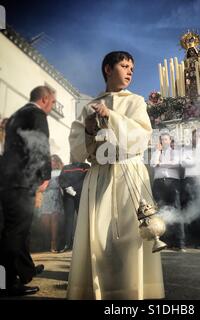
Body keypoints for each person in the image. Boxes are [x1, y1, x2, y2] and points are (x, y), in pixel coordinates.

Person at [67, 51, 164, 300]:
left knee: (130, 239)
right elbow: (78, 150)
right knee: (99, 240)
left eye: (132, 67)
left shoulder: (136, 102)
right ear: (108, 69)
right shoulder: (87, 105)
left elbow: (142, 137)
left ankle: (132, 295)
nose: (130, 71)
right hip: (99, 175)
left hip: (129, 174)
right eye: (124, 65)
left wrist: (112, 116)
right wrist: (88, 129)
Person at [0, 86, 54, 296]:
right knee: (15, 232)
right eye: (52, 102)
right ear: (45, 99)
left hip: (9, 178)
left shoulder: (16, 115)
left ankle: (24, 270)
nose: (51, 107)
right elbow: (40, 145)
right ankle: (7, 283)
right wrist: (45, 175)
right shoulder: (36, 114)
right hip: (22, 180)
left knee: (17, 229)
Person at [150, 132, 185, 251]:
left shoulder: (175, 152)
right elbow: (153, 163)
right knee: (161, 212)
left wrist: (161, 164)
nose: (164, 141)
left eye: (166, 139)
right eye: (162, 139)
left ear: (170, 141)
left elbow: (175, 164)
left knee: (176, 210)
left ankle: (180, 242)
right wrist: (158, 152)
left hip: (172, 182)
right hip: (159, 183)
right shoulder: (157, 152)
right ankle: (166, 241)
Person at [58, 160, 90, 252]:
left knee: (83, 219)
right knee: (68, 220)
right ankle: (67, 243)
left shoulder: (86, 166)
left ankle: (84, 243)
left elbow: (88, 179)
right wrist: (68, 188)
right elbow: (62, 180)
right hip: (69, 196)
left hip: (82, 195)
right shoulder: (66, 168)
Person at [40, 154, 64, 253]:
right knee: (45, 222)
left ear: (58, 162)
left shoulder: (60, 172)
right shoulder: (44, 172)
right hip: (46, 198)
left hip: (55, 197)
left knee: (54, 220)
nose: (52, 162)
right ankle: (46, 243)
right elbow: (40, 187)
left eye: (54, 160)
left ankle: (53, 244)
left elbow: (63, 184)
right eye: (51, 160)